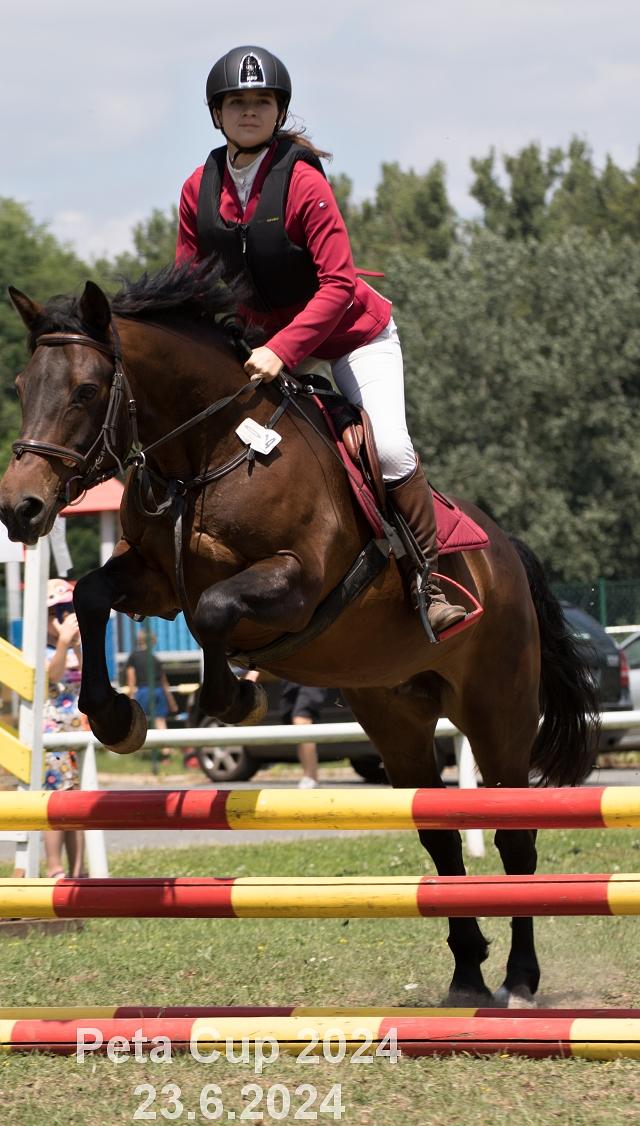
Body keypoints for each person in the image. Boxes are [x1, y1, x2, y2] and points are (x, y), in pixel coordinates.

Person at [176, 45, 466, 635]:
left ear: (278, 111)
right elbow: (190, 287)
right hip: (260, 343)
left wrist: (282, 350)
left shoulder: (303, 183)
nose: (249, 112)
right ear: (217, 114)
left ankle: (427, 582)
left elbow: (339, 284)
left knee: (389, 450)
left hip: (352, 336)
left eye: (262, 102)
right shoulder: (197, 189)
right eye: (237, 102)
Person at [43, 578, 86, 878]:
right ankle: (54, 867)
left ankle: (79, 869)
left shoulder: (75, 647)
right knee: (56, 801)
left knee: (78, 803)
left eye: (69, 610)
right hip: (53, 733)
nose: (65, 618)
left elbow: (91, 673)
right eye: (57, 612)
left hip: (76, 732)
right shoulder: (41, 649)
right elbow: (52, 676)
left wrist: (77, 645)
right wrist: (62, 643)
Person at [246, 670, 326, 788]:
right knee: (295, 725)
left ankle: (311, 777)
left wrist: (255, 670)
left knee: (301, 719)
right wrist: (255, 670)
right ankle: (309, 775)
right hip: (290, 676)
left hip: (313, 673)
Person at [125, 628, 178, 755]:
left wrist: (130, 698)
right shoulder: (155, 659)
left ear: (139, 640)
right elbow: (164, 683)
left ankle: (135, 750)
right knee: (160, 721)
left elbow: (131, 680)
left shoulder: (133, 657)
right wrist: (172, 702)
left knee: (137, 722)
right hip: (158, 691)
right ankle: (166, 752)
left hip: (143, 691)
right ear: (153, 641)